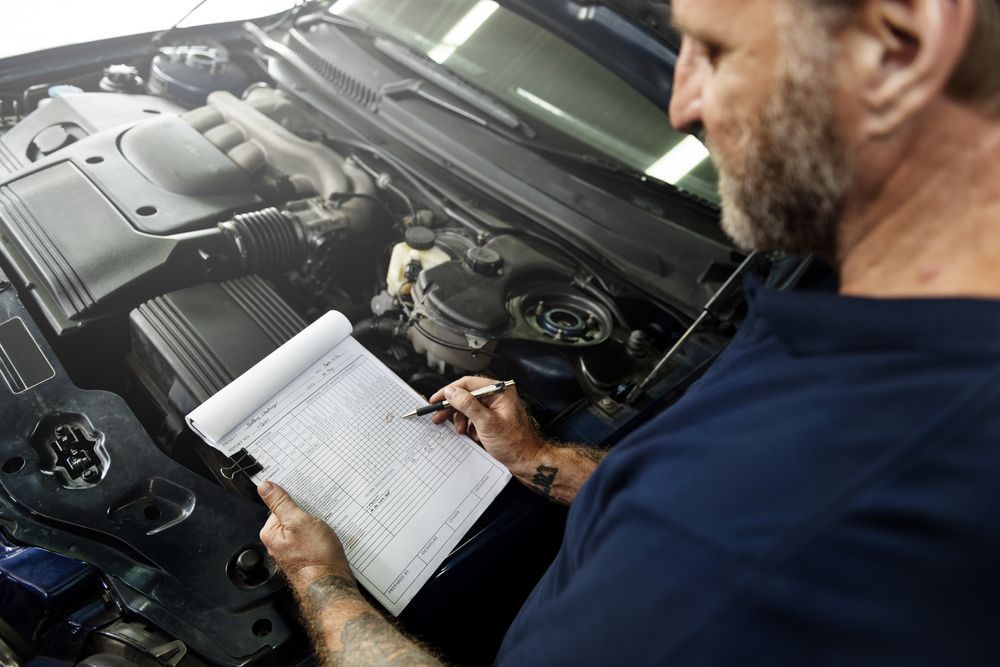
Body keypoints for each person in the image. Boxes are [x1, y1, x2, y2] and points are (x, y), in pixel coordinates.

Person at [255, 0, 1000, 663]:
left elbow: (721, 518)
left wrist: (321, 583)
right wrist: (538, 457)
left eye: (713, 50)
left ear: (902, 42)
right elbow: (695, 488)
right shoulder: (849, 310)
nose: (681, 105)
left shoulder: (764, 550)